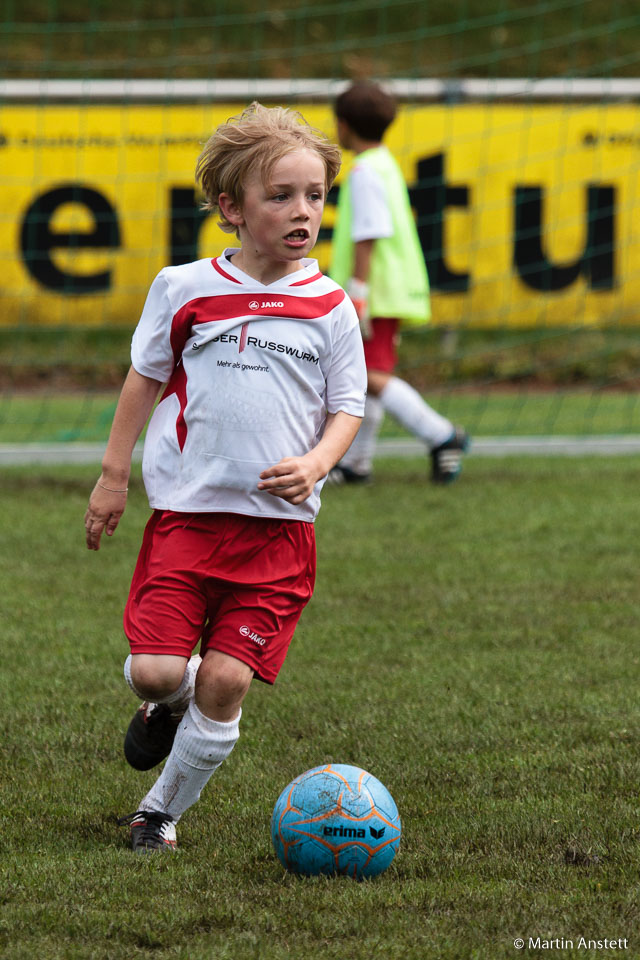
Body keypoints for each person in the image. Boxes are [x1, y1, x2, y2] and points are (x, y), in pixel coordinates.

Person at [83, 102, 366, 854]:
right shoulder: (182, 289)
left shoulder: (331, 306)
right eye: (281, 196)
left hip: (279, 536)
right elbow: (142, 380)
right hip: (186, 519)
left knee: (228, 682)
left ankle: (158, 814)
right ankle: (164, 707)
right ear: (231, 208)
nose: (302, 210)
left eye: (315, 195)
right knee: (153, 672)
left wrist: (315, 462)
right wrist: (114, 477)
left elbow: (348, 408)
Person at [328, 80, 469, 485]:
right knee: (361, 374)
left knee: (368, 375)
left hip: (376, 290)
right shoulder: (384, 164)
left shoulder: (365, 172)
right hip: (387, 288)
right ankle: (357, 464)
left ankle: (442, 435)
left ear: (344, 124)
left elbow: (367, 233)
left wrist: (357, 292)